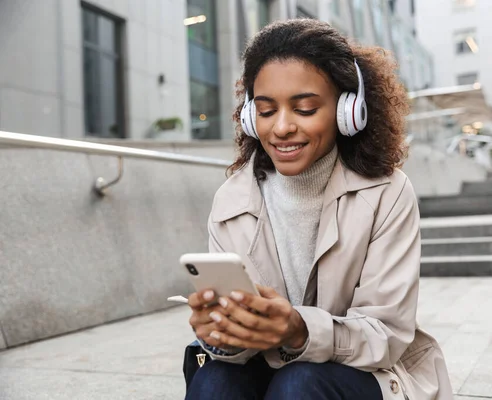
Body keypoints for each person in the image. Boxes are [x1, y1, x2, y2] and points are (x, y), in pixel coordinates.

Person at [185, 18, 453, 400]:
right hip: (268, 367)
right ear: (249, 116)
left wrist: (299, 330)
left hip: (364, 372)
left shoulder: (387, 193)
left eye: (305, 109)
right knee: (214, 380)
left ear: (349, 111)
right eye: (265, 110)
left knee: (300, 384)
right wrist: (223, 335)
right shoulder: (231, 199)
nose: (281, 128)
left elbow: (385, 334)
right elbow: (237, 347)